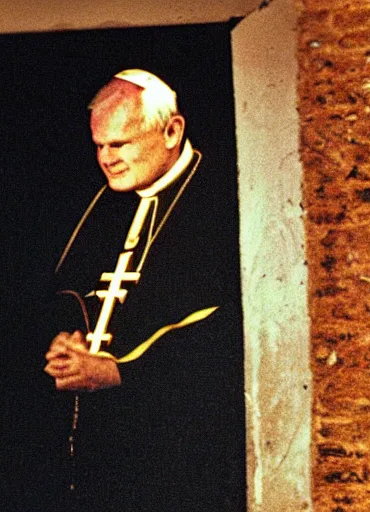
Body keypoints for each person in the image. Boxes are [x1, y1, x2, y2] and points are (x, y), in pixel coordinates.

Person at [43, 69, 246, 511]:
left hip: (185, 451)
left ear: (172, 130)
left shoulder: (225, 198)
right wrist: (67, 343)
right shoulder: (105, 201)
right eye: (100, 146)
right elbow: (72, 297)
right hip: (101, 448)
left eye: (121, 144)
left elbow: (229, 331)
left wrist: (119, 372)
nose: (107, 159)